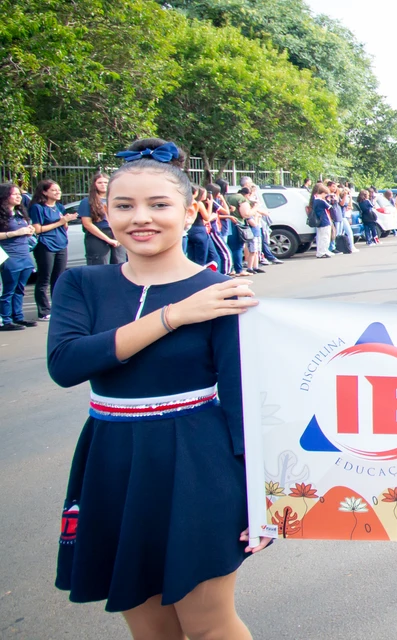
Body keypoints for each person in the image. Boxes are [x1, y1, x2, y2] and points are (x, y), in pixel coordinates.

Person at [47, 137, 267, 637]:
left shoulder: (222, 292)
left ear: (190, 212)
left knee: (208, 623)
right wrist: (173, 317)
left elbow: (240, 402)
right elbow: (65, 363)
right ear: (105, 210)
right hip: (112, 464)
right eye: (124, 205)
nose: (139, 218)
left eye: (158, 204)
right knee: (148, 626)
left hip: (198, 465)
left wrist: (257, 495)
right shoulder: (82, 286)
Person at [29, 179, 77, 321]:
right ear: (44, 192)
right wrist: (60, 222)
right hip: (46, 245)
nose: (58, 193)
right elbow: (38, 229)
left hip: (61, 244)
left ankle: (58, 307)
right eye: (54, 190)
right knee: (45, 277)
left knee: (59, 278)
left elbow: (64, 226)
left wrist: (66, 221)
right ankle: (44, 310)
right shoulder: (38, 208)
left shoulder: (59, 207)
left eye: (59, 190)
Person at [0, 184, 37, 330]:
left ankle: (18, 317)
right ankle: (6, 320)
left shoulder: (20, 213)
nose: (18, 197)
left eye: (19, 194)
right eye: (14, 194)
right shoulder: (2, 215)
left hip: (24, 255)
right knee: (8, 289)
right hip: (10, 256)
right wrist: (15, 233)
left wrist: (29, 230)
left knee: (20, 289)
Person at [79, 173, 126, 265]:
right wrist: (108, 240)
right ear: (94, 184)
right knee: (101, 266)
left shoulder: (117, 200)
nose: (103, 185)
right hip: (98, 237)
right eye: (100, 182)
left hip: (117, 235)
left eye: (106, 182)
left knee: (120, 265)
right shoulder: (87, 201)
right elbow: (87, 224)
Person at [308, 183, 334, 260]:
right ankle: (323, 251)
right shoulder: (321, 201)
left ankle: (320, 252)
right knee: (325, 237)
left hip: (319, 222)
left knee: (320, 237)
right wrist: (328, 200)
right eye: (325, 194)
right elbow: (329, 207)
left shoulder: (314, 200)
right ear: (322, 193)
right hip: (324, 221)